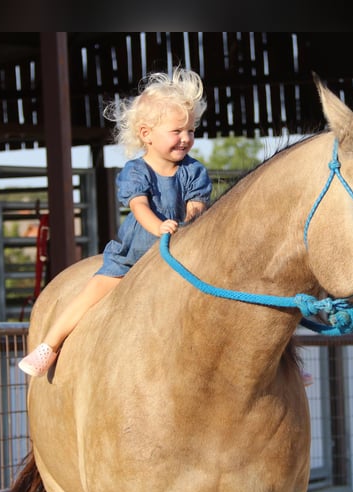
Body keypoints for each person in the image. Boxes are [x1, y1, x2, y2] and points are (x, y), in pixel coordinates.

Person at [18, 67, 212, 377]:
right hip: (133, 257)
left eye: (190, 130)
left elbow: (197, 206)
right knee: (91, 294)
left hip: (182, 254)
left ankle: (282, 364)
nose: (186, 138)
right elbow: (139, 207)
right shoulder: (136, 171)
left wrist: (187, 226)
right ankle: (49, 346)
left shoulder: (194, 171)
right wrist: (159, 228)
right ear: (146, 134)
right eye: (177, 131)